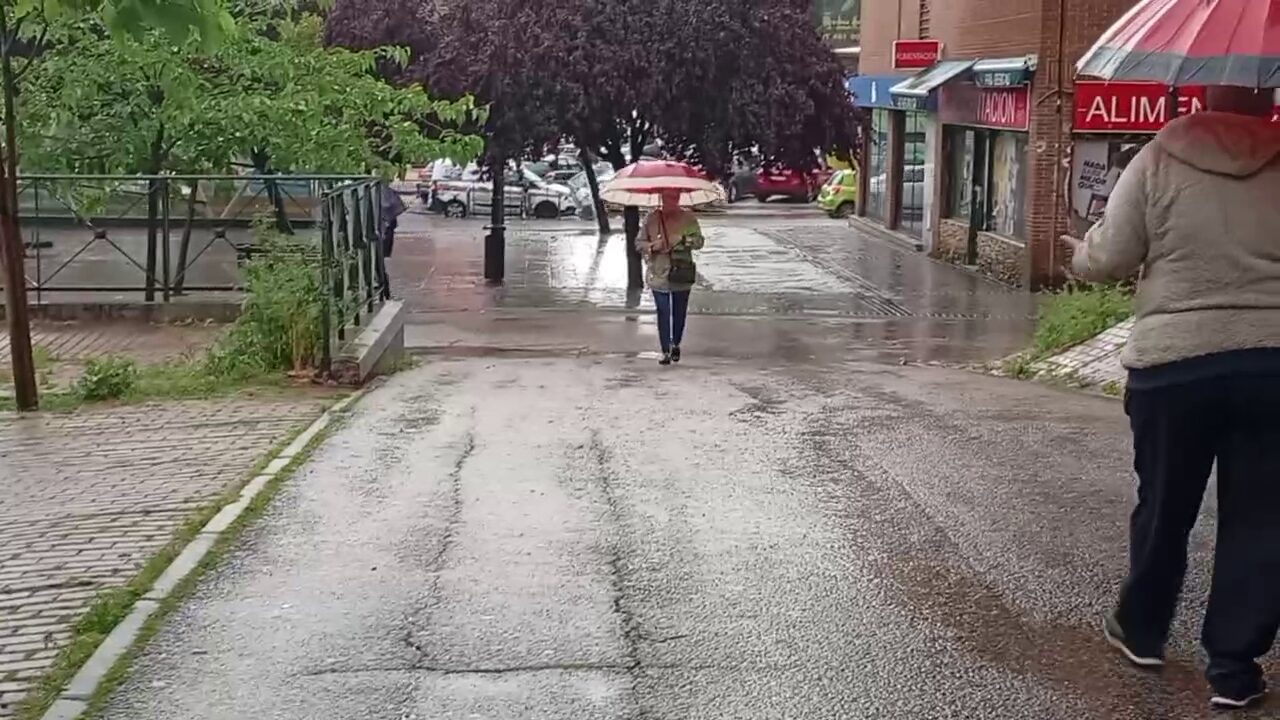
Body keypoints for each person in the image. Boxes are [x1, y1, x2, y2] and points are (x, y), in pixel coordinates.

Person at [1066, 85, 1280, 711]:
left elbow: (1110, 257)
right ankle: (1234, 668)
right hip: (1272, 365)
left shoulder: (1159, 157)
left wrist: (1081, 252)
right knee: (1262, 518)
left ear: (1202, 97)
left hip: (1174, 368)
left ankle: (1143, 630)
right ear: (1265, 99)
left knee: (1165, 505)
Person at [637, 189, 705, 366]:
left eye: (674, 198)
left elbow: (699, 242)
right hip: (658, 272)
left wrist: (682, 240)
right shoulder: (651, 219)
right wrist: (652, 246)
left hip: (681, 271)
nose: (670, 202)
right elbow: (639, 243)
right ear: (662, 199)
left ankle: (676, 343)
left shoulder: (688, 219)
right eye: (667, 198)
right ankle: (665, 350)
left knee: (679, 312)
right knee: (663, 310)